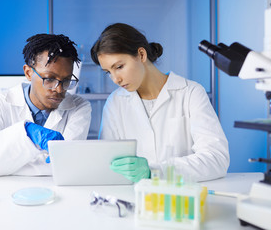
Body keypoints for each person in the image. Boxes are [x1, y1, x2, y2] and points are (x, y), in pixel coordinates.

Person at [90, 23, 229, 183]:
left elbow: (216, 159)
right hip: (136, 198)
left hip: (182, 198)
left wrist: (154, 171)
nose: (115, 79)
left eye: (119, 67)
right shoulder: (115, 102)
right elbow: (108, 164)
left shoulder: (190, 93)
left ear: (141, 54)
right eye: (109, 72)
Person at [0, 34, 92, 178]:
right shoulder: (1, 103)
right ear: (28, 73)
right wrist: (25, 133)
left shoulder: (79, 107)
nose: (59, 89)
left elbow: (67, 165)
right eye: (50, 79)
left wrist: (2, 164)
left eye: (66, 81)